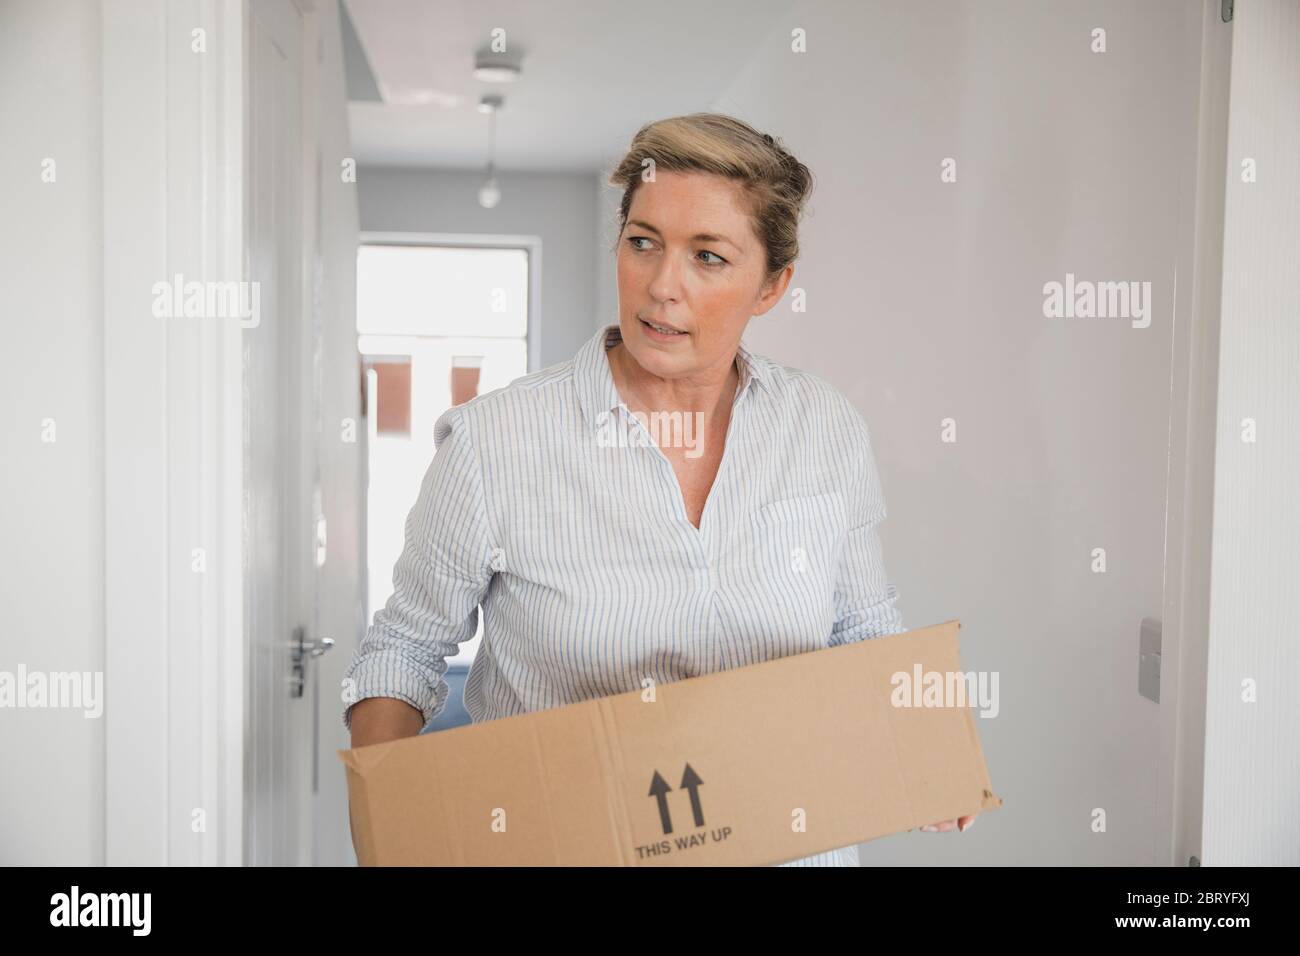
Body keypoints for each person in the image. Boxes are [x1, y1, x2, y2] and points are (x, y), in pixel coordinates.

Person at [343, 113, 976, 866]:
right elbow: (404, 650)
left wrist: (926, 749)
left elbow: (863, 629)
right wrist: (395, 828)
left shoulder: (824, 429)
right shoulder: (494, 443)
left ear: (772, 286)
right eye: (643, 242)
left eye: (708, 257)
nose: (661, 286)